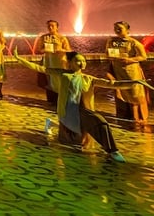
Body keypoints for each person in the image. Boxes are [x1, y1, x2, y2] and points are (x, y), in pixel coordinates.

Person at [13, 48, 153, 162]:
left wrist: (136, 82)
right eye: (77, 61)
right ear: (70, 63)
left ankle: (113, 151)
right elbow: (40, 68)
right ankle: (52, 125)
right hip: (67, 110)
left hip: (84, 111)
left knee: (102, 124)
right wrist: (19, 59)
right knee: (72, 137)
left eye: (83, 61)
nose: (81, 63)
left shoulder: (89, 79)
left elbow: (113, 84)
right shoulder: (63, 74)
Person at [104, 21, 149, 122]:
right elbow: (107, 54)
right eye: (115, 28)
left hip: (131, 72)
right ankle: (125, 116)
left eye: (120, 28)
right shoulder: (111, 41)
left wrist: (130, 60)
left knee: (135, 94)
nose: (117, 30)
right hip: (118, 71)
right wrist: (111, 56)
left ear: (127, 30)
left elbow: (143, 57)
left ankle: (137, 118)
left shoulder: (133, 42)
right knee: (122, 92)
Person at [31, 19, 71, 104]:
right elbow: (39, 49)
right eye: (49, 26)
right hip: (48, 61)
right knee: (49, 80)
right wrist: (45, 49)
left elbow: (68, 50)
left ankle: (62, 98)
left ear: (57, 27)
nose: (50, 27)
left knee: (59, 80)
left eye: (53, 26)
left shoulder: (62, 38)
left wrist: (60, 50)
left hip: (59, 62)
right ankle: (52, 99)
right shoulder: (44, 37)